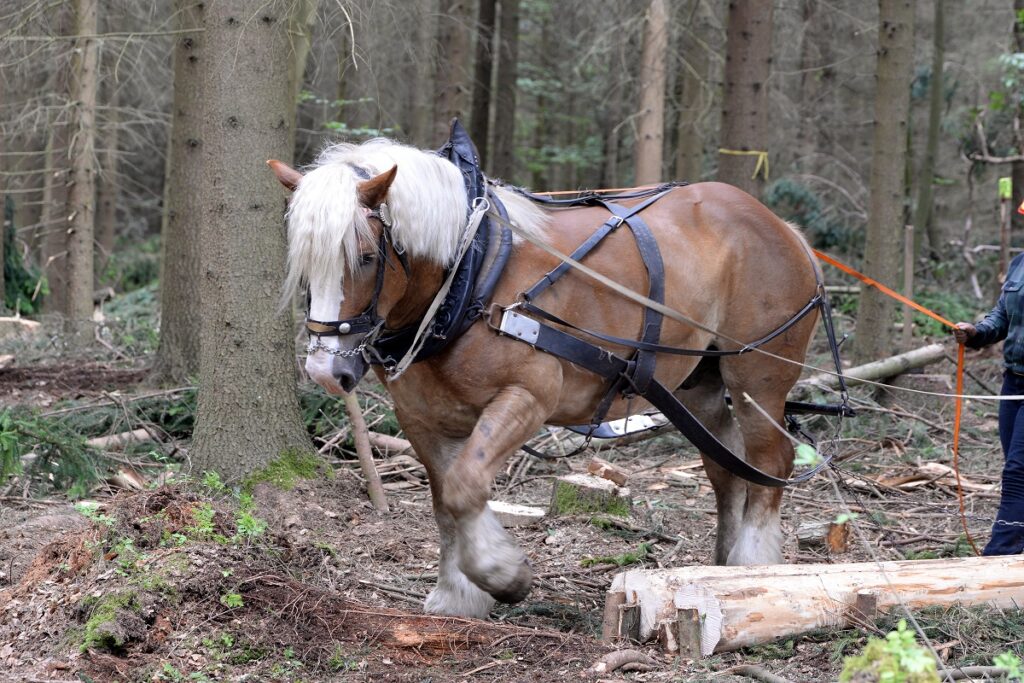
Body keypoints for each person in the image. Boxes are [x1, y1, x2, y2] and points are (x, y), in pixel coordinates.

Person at [953, 253, 1024, 555]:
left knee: (1018, 471)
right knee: (1015, 465)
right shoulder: (1019, 264)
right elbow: (1003, 317)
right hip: (1014, 380)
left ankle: (1001, 551)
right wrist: (976, 333)